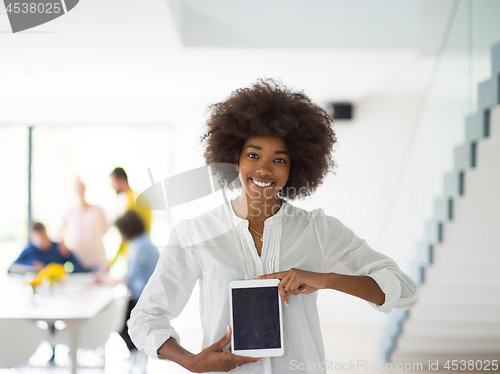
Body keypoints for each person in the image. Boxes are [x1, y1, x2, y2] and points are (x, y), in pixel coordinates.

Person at [128, 79, 418, 373]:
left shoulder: (318, 230)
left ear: (296, 167)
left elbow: (405, 292)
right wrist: (191, 361)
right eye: (253, 155)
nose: (264, 169)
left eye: (279, 159)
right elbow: (145, 318)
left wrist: (327, 279)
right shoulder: (195, 233)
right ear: (234, 158)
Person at [96, 210, 159, 357]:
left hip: (145, 297)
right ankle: (136, 352)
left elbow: (128, 278)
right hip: (145, 294)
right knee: (119, 315)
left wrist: (104, 280)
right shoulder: (142, 241)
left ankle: (136, 352)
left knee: (117, 319)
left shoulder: (139, 246)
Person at [58, 177, 108, 271]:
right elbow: (60, 234)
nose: (80, 192)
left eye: (81, 189)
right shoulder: (69, 212)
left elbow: (105, 230)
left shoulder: (97, 210)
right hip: (78, 260)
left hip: (97, 259)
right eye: (77, 189)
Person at [109, 167, 152, 265]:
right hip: (143, 249)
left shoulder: (131, 201)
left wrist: (111, 262)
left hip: (135, 253)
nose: (112, 186)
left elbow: (125, 234)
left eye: (113, 182)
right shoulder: (138, 197)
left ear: (122, 180)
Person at [10, 221, 85, 273]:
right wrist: (32, 264)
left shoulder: (58, 248)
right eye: (39, 240)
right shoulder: (29, 251)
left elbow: (78, 266)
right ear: (33, 239)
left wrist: (65, 274)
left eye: (44, 237)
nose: (43, 241)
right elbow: (12, 268)